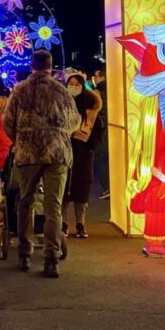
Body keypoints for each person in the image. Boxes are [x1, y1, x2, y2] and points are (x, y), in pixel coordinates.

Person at [3, 50, 81, 278]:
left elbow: (8, 122)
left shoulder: (19, 90)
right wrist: (58, 134)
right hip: (57, 153)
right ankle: (51, 258)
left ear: (32, 65)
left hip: (28, 153)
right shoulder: (61, 90)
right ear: (50, 65)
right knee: (53, 206)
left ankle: (24, 253)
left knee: (25, 202)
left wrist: (22, 137)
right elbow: (74, 121)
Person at [62, 73, 103, 239]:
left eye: (76, 84)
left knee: (82, 189)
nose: (73, 87)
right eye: (70, 84)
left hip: (83, 154)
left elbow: (98, 129)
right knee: (63, 188)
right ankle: (63, 223)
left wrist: (91, 147)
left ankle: (80, 223)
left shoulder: (91, 108)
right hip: (64, 152)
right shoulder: (62, 104)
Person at [91, 69, 110, 200]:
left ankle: (108, 187)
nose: (95, 78)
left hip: (102, 128)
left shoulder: (97, 91)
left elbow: (95, 110)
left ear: (102, 77)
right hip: (115, 126)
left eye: (96, 76)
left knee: (101, 157)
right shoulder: (114, 88)